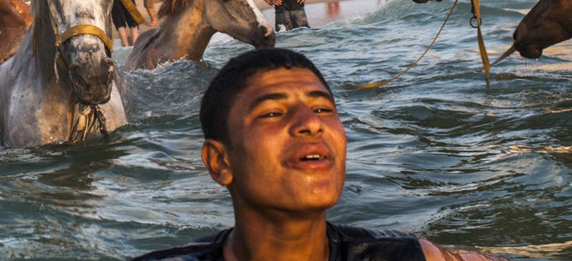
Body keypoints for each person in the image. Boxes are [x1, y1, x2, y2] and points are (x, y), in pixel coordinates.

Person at [132, 48, 507, 261]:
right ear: (220, 162)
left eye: (323, 109)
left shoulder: (407, 258)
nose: (311, 124)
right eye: (273, 113)